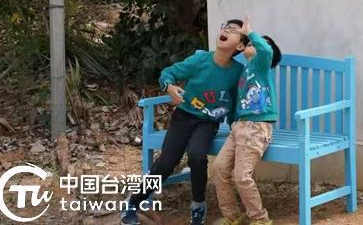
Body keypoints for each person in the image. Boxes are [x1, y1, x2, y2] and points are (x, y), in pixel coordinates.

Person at [120, 20, 247, 225]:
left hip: (207, 123)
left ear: (240, 45)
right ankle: (133, 203)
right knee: (166, 164)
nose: (226, 31)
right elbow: (168, 73)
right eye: (225, 27)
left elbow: (234, 102)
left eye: (233, 31)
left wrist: (236, 127)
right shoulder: (200, 60)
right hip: (184, 117)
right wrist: (169, 87)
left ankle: (198, 207)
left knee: (197, 156)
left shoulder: (237, 71)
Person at [213, 15, 281, 225]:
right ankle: (232, 216)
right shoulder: (246, 71)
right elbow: (238, 103)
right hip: (240, 127)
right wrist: (232, 121)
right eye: (250, 42)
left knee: (242, 176)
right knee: (219, 168)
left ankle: (260, 219)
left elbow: (266, 51)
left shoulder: (261, 65)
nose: (252, 43)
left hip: (257, 127)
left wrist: (250, 32)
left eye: (256, 43)